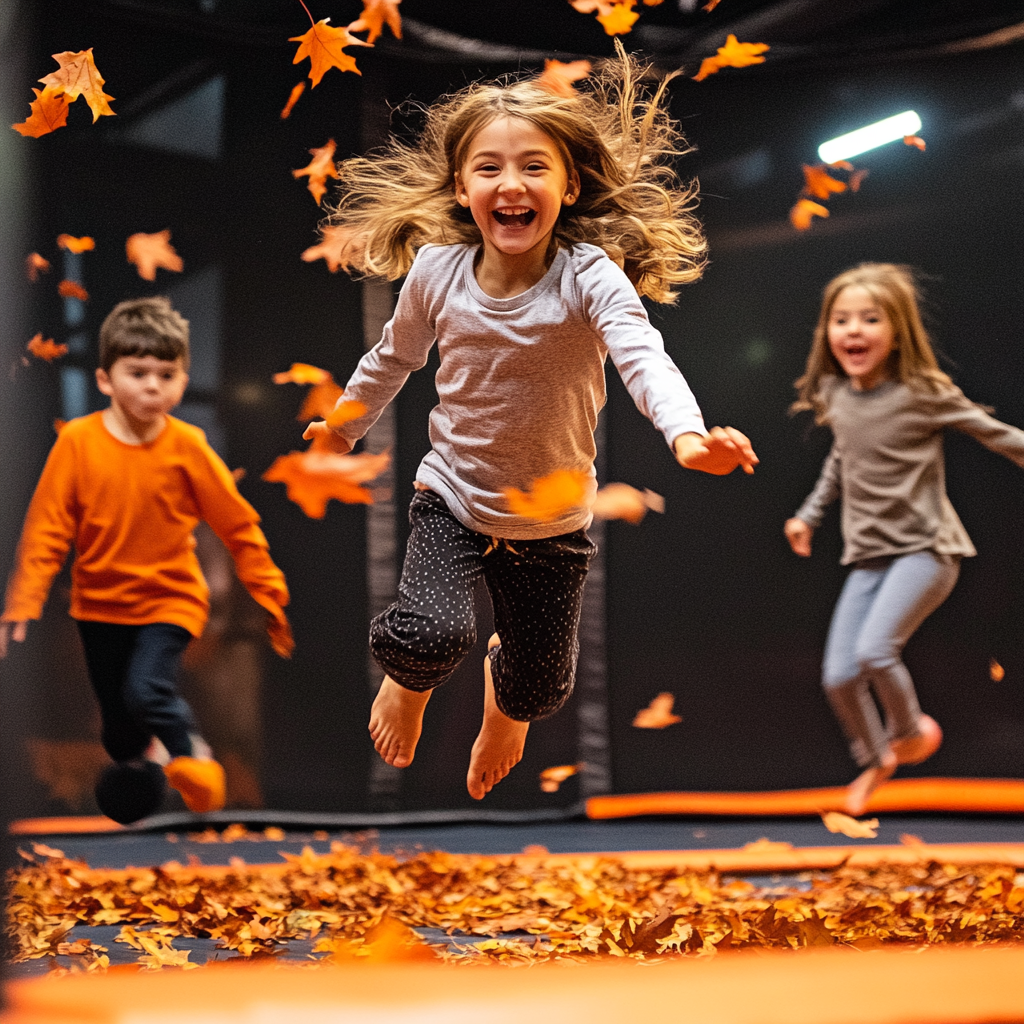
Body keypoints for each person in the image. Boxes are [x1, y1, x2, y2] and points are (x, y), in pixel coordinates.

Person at [304, 47, 758, 801]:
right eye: (488, 168)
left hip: (550, 515)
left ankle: (505, 708)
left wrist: (688, 435)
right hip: (452, 495)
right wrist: (339, 430)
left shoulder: (589, 275)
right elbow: (391, 359)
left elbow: (643, 357)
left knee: (540, 687)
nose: (510, 185)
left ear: (568, 184)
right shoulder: (437, 274)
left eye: (533, 168)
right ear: (462, 186)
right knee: (430, 634)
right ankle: (405, 688)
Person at [1, 297, 293, 823]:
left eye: (168, 373)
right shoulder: (78, 444)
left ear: (182, 379)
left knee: (146, 688)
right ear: (106, 380)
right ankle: (145, 767)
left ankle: (191, 757)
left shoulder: (189, 447)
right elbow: (46, 528)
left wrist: (269, 593)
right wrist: (23, 602)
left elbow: (238, 525)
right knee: (120, 731)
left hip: (170, 600)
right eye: (138, 373)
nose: (154, 385)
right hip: (99, 606)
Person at [784, 263, 1024, 814]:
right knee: (839, 676)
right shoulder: (836, 394)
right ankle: (878, 759)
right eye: (842, 320)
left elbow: (995, 435)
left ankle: (913, 732)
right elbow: (841, 461)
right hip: (869, 557)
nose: (854, 331)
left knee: (874, 651)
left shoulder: (922, 393)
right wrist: (808, 516)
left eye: (870, 319)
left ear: (896, 334)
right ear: (827, 333)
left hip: (927, 551)